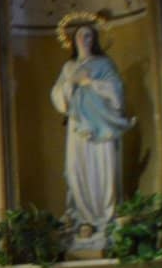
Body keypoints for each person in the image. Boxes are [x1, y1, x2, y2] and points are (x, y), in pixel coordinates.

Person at [49, 18, 134, 250]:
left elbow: (117, 91)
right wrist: (71, 84)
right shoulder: (68, 67)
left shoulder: (104, 64)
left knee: (103, 167)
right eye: (79, 35)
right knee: (76, 168)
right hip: (78, 127)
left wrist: (89, 81)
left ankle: (106, 218)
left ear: (94, 39)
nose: (84, 39)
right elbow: (58, 96)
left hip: (102, 126)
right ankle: (84, 218)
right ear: (73, 40)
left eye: (88, 35)